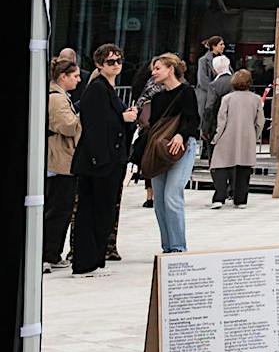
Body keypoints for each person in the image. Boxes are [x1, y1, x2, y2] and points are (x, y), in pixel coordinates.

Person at [70, 45, 135, 276]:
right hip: (100, 162)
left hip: (107, 160)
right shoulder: (97, 88)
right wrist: (122, 117)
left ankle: (93, 258)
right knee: (93, 211)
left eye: (119, 60)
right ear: (99, 65)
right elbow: (95, 124)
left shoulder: (107, 87)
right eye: (110, 61)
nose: (116, 65)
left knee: (101, 211)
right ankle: (86, 260)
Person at [135, 54, 202, 255]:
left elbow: (193, 120)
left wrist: (181, 135)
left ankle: (178, 247)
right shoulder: (157, 98)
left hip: (181, 147)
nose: (153, 73)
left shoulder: (187, 92)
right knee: (160, 201)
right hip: (160, 150)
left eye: (157, 68)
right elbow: (156, 126)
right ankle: (168, 246)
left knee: (172, 195)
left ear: (170, 69)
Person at [44, 53, 82, 270]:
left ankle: (52, 251)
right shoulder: (57, 98)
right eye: (74, 75)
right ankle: (50, 253)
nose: (78, 79)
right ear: (62, 76)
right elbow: (67, 126)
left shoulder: (60, 96)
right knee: (59, 209)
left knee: (60, 208)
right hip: (59, 160)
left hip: (60, 159)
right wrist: (81, 117)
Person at [209, 71, 265, 210]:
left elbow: (221, 121)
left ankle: (219, 197)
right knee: (244, 168)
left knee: (220, 165)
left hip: (227, 136)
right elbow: (260, 121)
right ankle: (241, 200)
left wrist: (216, 137)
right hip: (247, 137)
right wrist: (255, 135)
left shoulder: (227, 98)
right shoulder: (256, 99)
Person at [202, 53, 234, 155]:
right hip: (235, 122)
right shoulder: (237, 82)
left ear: (214, 69)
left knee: (215, 154)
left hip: (217, 123)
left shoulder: (214, 85)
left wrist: (205, 128)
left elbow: (209, 107)